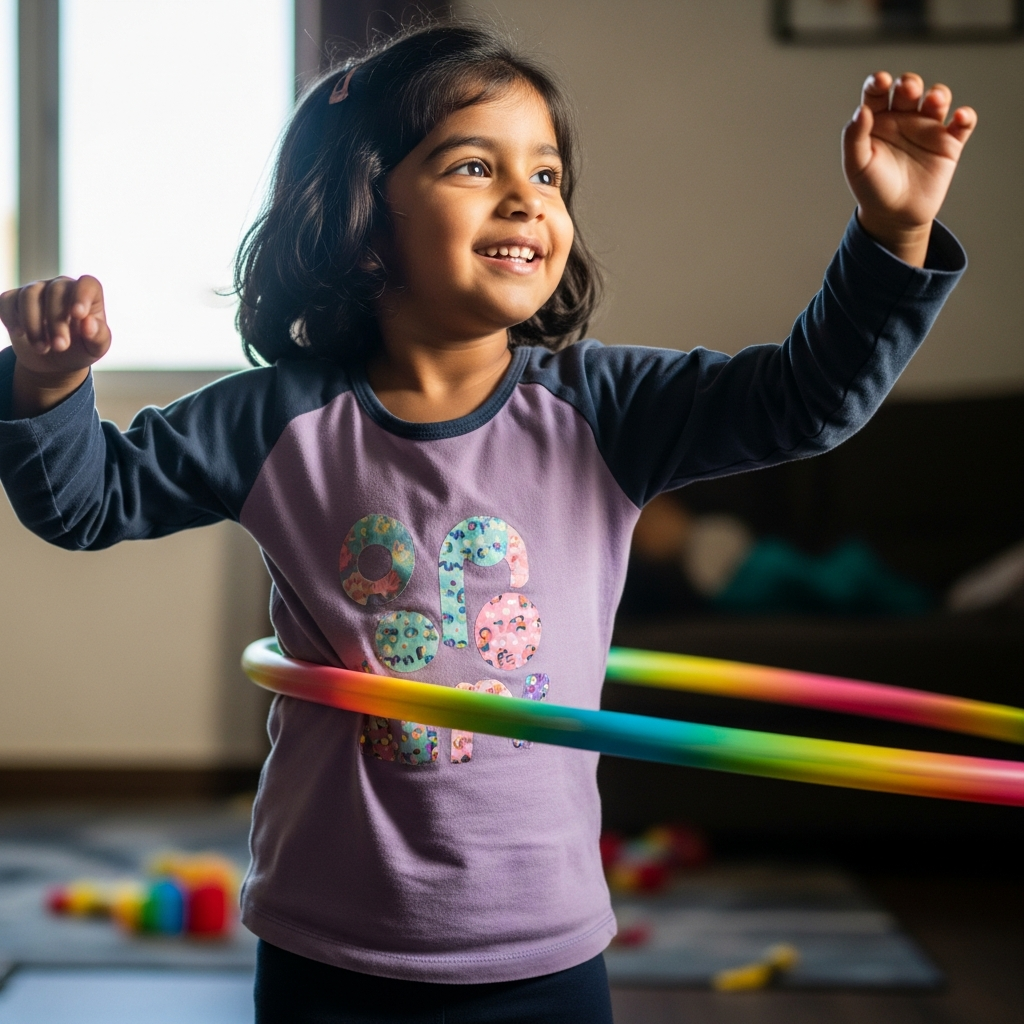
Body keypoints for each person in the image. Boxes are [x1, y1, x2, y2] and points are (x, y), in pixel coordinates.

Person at [0, 19, 975, 1024]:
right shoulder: (276, 420)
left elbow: (805, 402)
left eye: (547, 175)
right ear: (364, 214)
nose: (526, 198)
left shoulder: (603, 411)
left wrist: (890, 238)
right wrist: (49, 382)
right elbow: (88, 502)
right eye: (475, 164)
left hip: (540, 946)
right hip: (325, 940)